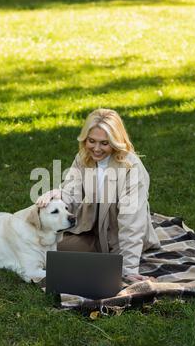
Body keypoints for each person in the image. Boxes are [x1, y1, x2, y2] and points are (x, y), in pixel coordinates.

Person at [36, 108, 160, 281]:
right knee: (40, 243)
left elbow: (131, 222)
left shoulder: (132, 168)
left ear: (116, 142)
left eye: (104, 143)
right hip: (91, 231)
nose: (96, 149)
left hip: (116, 239)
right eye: (91, 141)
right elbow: (72, 193)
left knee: (56, 258)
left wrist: (129, 269)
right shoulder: (83, 158)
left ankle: (106, 261)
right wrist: (58, 195)